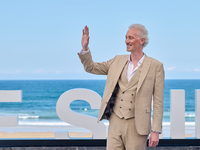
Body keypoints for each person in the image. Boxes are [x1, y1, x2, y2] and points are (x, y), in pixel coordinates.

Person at [78, 24, 164, 150]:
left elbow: (158, 102)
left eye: (130, 38)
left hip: (138, 125)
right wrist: (85, 48)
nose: (126, 41)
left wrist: (155, 130)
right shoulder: (116, 61)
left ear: (142, 41)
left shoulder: (156, 66)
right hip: (115, 122)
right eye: (126, 38)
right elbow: (91, 68)